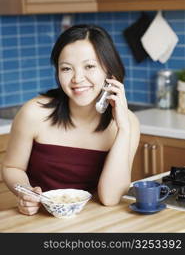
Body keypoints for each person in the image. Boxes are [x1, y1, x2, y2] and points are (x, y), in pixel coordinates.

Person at [2, 24, 140, 216]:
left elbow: (110, 198)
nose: (77, 78)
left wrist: (123, 128)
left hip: (96, 223)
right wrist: (25, 192)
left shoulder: (128, 123)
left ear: (109, 71)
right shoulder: (34, 113)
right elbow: (12, 167)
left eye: (89, 66)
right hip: (39, 219)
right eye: (66, 68)